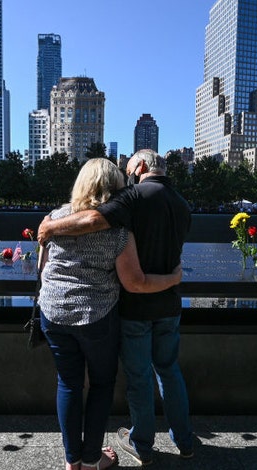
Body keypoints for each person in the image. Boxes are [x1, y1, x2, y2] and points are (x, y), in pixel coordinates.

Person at [38, 149, 194, 466]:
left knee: (97, 381)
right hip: (150, 307)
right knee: (160, 372)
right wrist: (174, 279)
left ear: (141, 166)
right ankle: (181, 441)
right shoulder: (179, 206)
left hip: (90, 311)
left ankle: (111, 452)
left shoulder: (62, 216)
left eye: (131, 168)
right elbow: (143, 270)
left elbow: (49, 261)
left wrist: (50, 228)